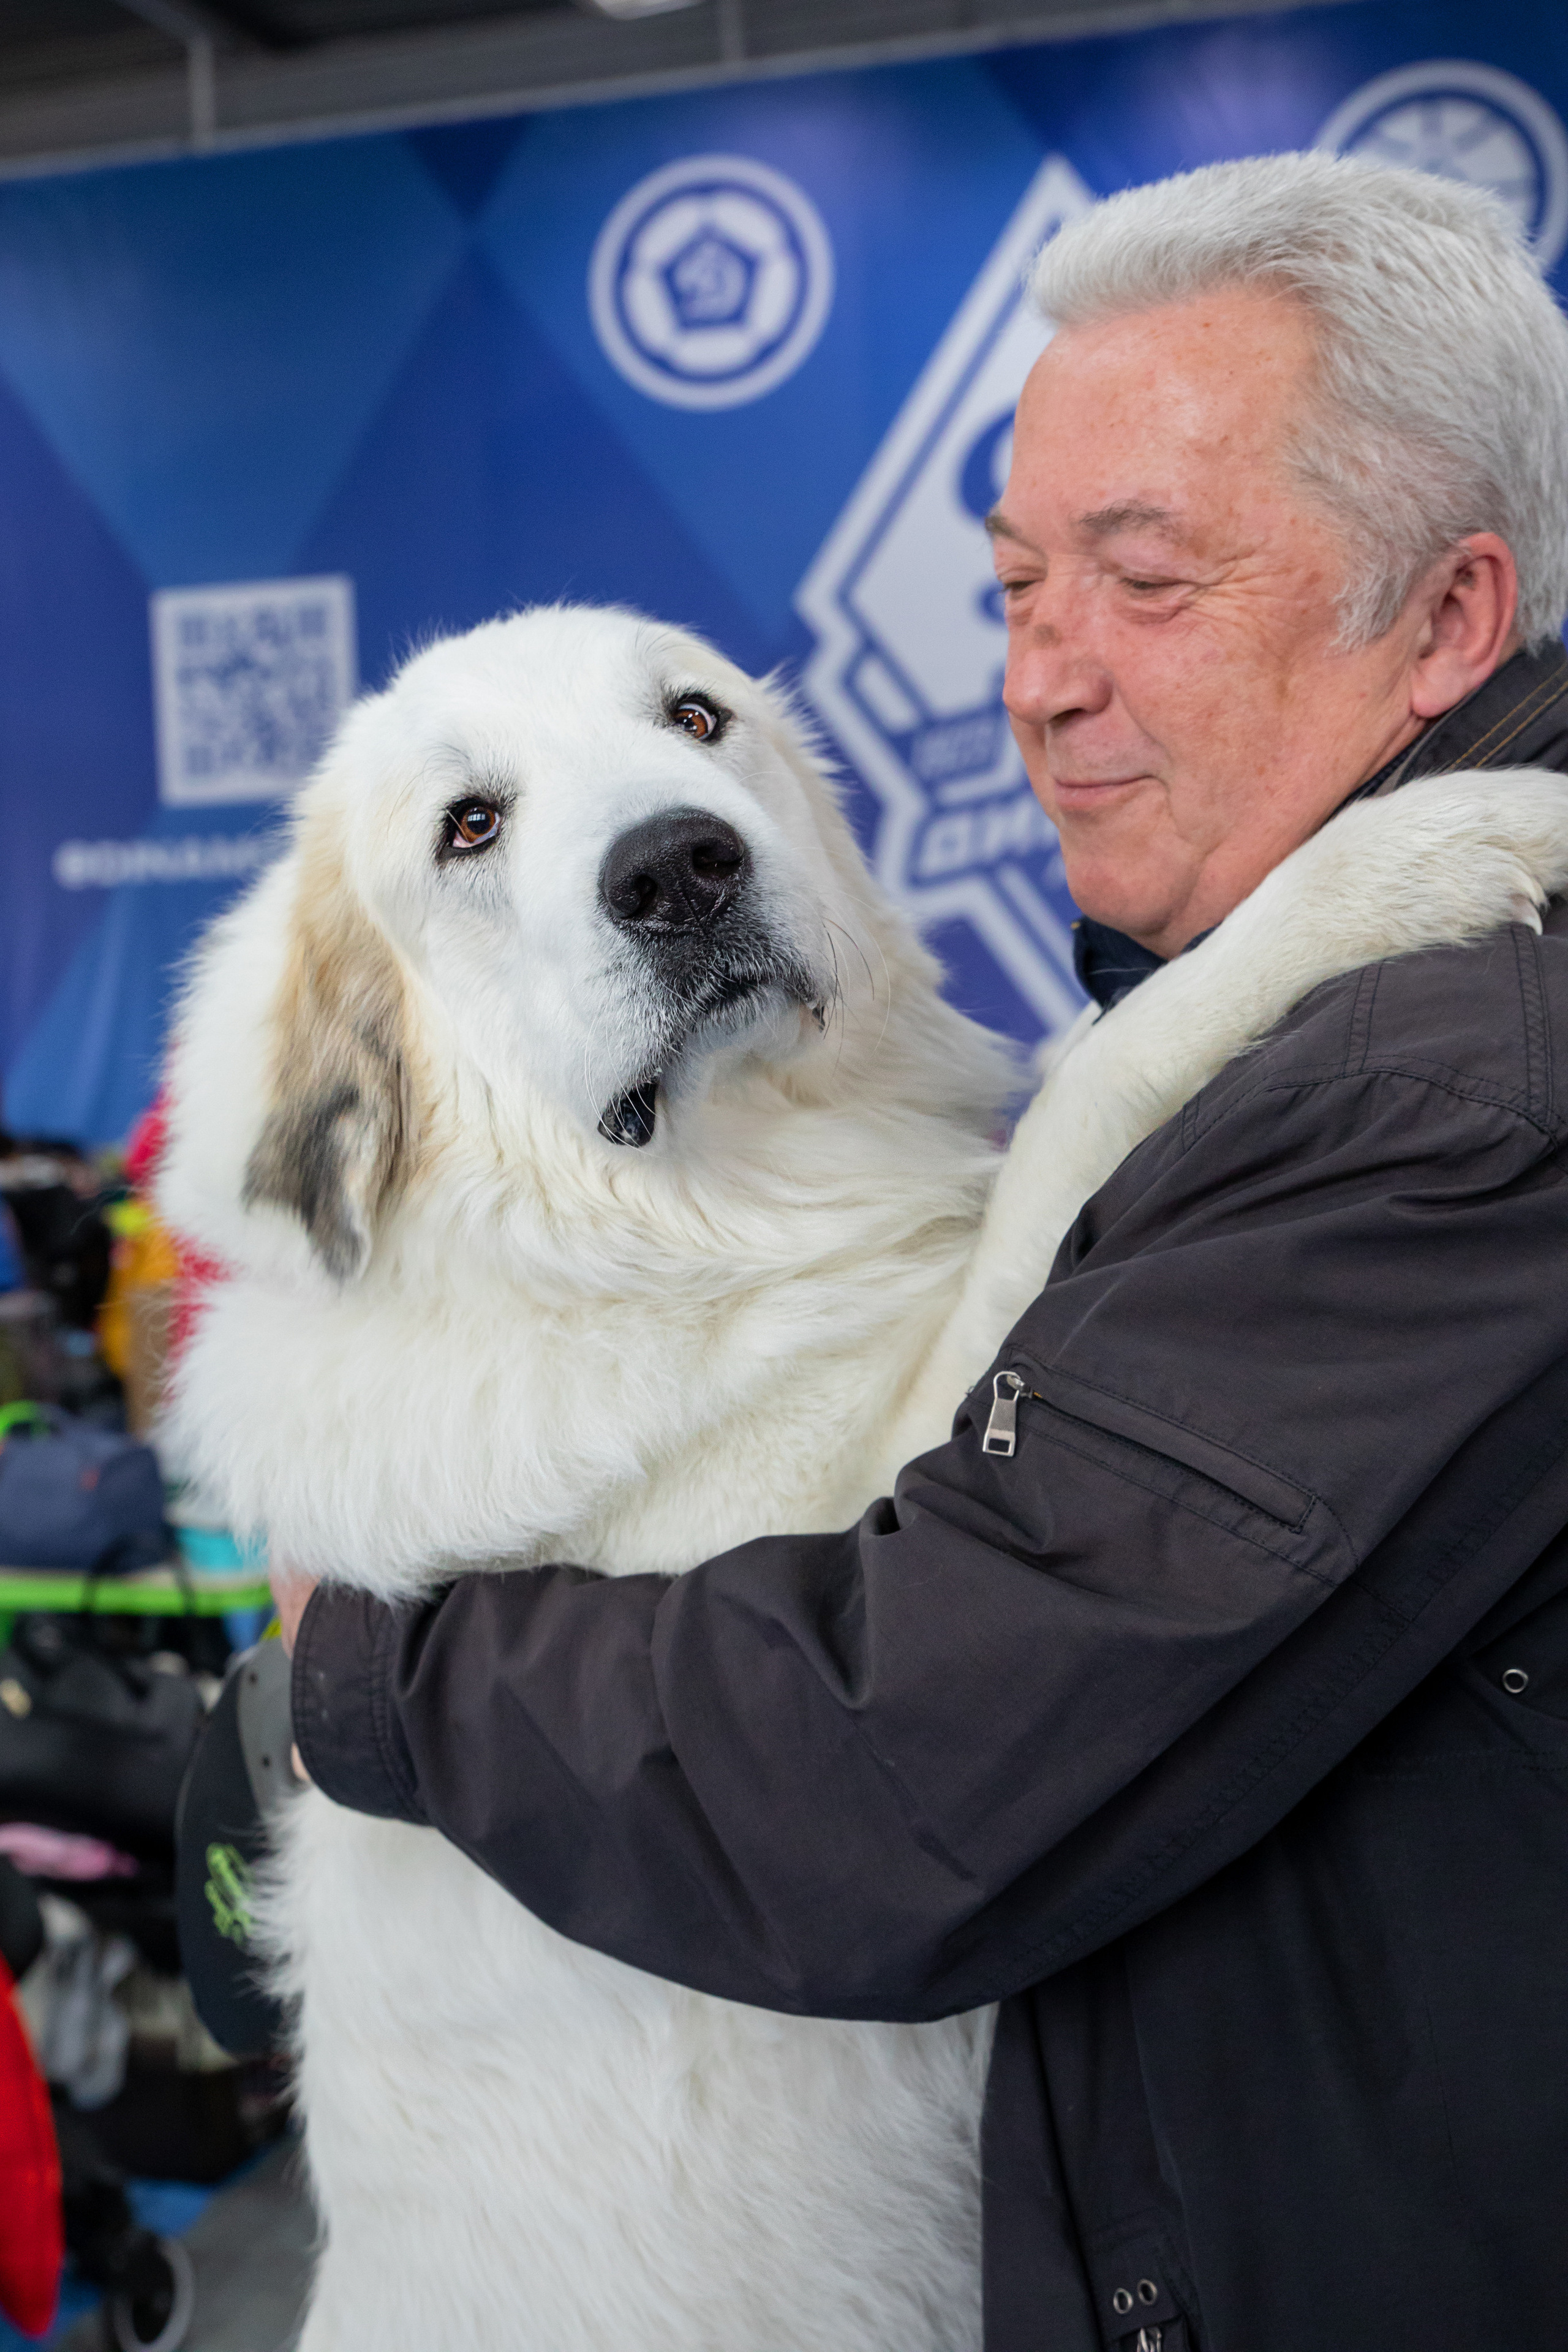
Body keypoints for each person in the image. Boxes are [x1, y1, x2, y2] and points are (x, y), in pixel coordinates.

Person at [276, 154, 1568, 2351]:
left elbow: (895, 1752)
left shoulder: (1444, 1078)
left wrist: (355, 1675)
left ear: (1447, 620)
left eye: (1146, 580)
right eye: (1014, 584)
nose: (1047, 679)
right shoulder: (1293, 1040)